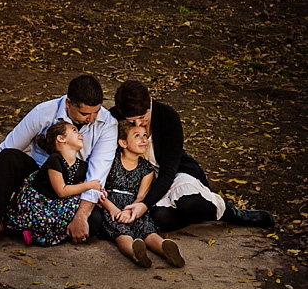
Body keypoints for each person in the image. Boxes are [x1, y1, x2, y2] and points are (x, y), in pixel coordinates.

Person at [0, 75, 118, 258]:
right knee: (9, 156)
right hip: (35, 183)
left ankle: (11, 220)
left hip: (70, 190)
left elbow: (97, 174)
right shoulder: (43, 112)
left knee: (92, 223)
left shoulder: (108, 124)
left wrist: (81, 216)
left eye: (96, 112)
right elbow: (9, 147)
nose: (91, 119)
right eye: (85, 114)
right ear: (69, 103)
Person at [110, 80, 274, 231]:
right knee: (160, 218)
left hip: (173, 173)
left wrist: (144, 205)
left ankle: (232, 214)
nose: (138, 124)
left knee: (189, 202)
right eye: (131, 121)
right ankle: (198, 214)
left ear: (150, 103)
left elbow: (168, 172)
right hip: (141, 179)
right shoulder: (114, 117)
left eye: (141, 118)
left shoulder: (168, 117)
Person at [100, 121, 185, 268]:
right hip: (111, 204)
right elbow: (99, 190)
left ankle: (165, 249)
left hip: (134, 206)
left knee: (147, 228)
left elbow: (141, 196)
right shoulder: (112, 161)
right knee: (122, 231)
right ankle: (135, 252)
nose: (144, 139)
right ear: (123, 143)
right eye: (137, 135)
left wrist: (130, 209)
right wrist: (113, 209)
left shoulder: (146, 168)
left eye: (145, 135)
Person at [4, 121, 103, 246]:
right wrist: (89, 185)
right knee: (42, 217)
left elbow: (78, 186)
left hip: (57, 203)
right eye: (74, 130)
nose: (80, 134)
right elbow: (61, 190)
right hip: (40, 201)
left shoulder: (82, 166)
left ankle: (37, 232)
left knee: (83, 210)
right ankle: (22, 229)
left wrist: (97, 190)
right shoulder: (55, 160)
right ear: (61, 138)